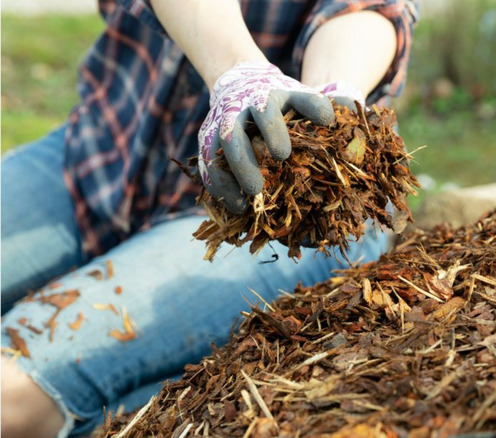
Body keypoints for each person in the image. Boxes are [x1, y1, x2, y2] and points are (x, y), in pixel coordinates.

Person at [0, 0, 418, 436]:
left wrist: (334, 96)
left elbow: (367, 9)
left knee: (11, 398)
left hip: (260, 219)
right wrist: (238, 73)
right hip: (102, 152)